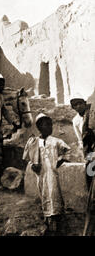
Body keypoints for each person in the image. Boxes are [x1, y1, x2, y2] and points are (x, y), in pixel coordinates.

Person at [23, 113, 70, 236]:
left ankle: (58, 226)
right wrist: (32, 164)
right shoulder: (33, 142)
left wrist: (61, 159)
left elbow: (67, 152)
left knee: (55, 195)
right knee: (44, 195)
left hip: (53, 174)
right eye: (45, 125)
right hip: (41, 175)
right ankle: (48, 225)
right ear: (39, 127)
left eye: (50, 124)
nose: (49, 127)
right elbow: (27, 157)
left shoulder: (56, 141)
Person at [70, 94, 95, 235]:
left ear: (84, 103)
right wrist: (85, 155)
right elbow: (80, 139)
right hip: (89, 151)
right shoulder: (75, 121)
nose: (78, 107)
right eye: (75, 105)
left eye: (80, 103)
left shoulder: (91, 114)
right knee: (90, 174)